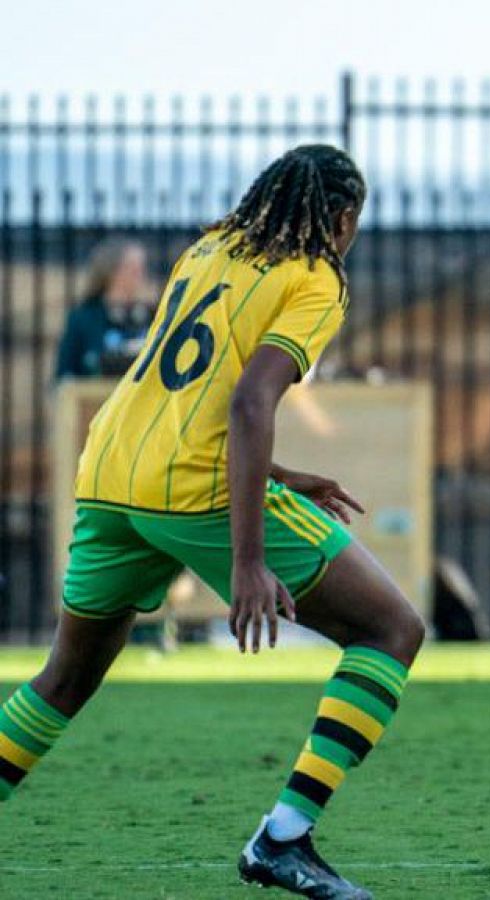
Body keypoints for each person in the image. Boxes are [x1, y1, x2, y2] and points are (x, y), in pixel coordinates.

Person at [0, 144, 423, 900]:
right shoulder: (316, 277)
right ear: (344, 216)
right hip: (193, 489)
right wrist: (248, 561)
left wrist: (285, 476)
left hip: (110, 473)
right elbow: (247, 402)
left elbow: (185, 393)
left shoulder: (210, 248)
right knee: (392, 630)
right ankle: (283, 839)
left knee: (63, 680)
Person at [54, 239, 155, 380]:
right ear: (111, 271)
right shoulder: (84, 318)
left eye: (142, 268)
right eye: (133, 268)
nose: (141, 275)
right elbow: (63, 375)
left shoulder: (152, 316)